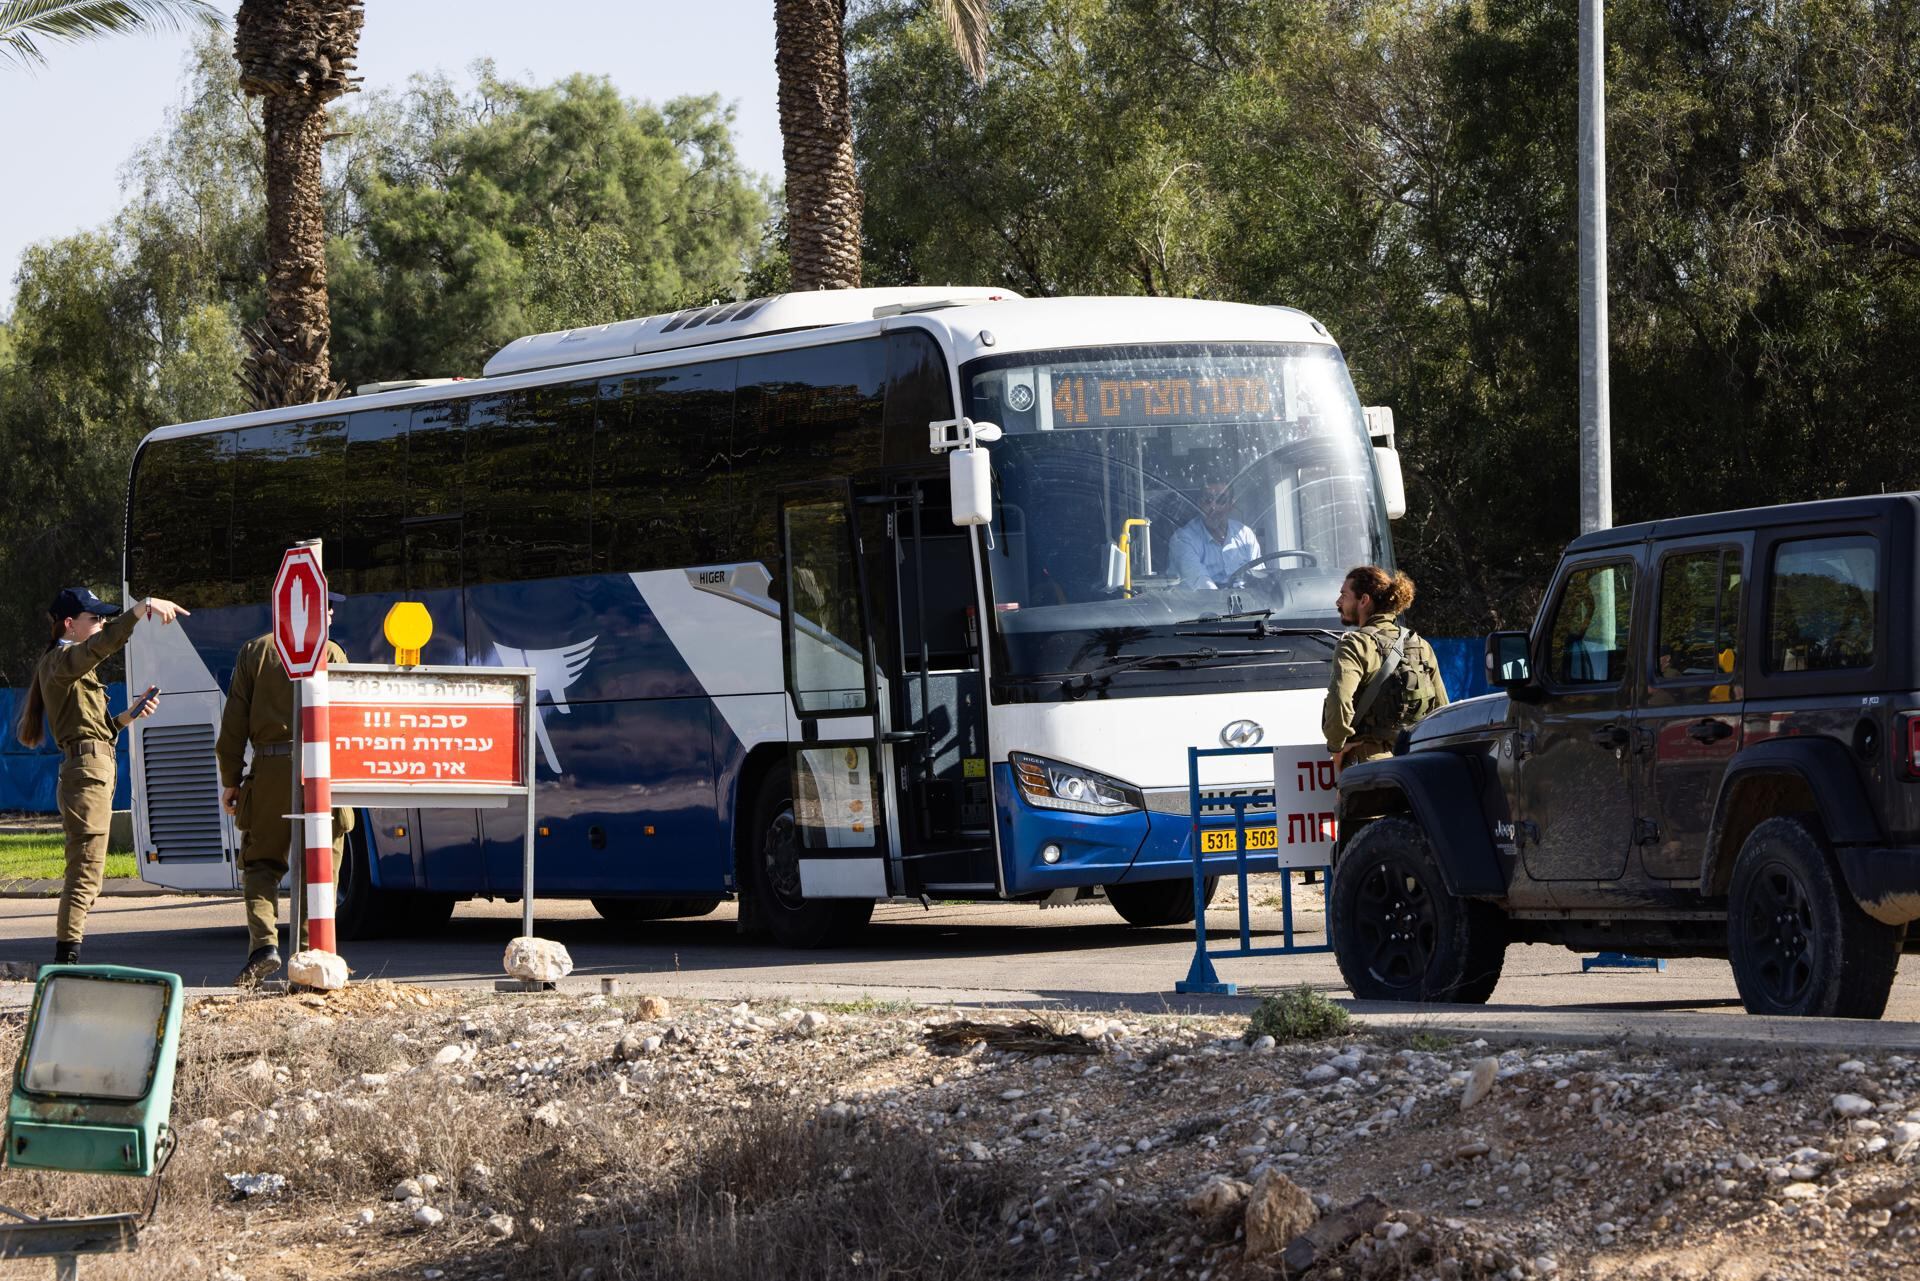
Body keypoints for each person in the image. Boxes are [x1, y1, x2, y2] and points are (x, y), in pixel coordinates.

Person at [13, 587, 189, 965]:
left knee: (89, 872)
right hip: (86, 775)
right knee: (85, 874)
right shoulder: (61, 661)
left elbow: (95, 729)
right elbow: (101, 647)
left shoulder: (68, 664)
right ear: (69, 625)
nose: (101, 624)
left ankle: (67, 959)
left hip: (93, 770)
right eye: (94, 619)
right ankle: (66, 962)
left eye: (103, 618)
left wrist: (129, 715)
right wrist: (140, 610)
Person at [216, 595, 355, 986]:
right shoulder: (331, 652)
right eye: (326, 607)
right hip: (320, 769)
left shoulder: (256, 651)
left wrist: (231, 780)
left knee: (260, 864)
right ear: (311, 610)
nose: (329, 614)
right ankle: (310, 959)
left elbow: (232, 729)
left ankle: (263, 946)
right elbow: (346, 717)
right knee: (321, 866)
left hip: (271, 768)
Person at [1323, 566, 1448, 776]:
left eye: (1344, 595)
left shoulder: (1355, 644)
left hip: (1370, 767)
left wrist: (1336, 747)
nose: (1338, 603)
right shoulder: (1420, 644)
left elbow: (1339, 700)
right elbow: (1441, 709)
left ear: (1364, 600)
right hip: (1418, 765)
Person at [1169, 479, 1262, 589]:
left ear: (1231, 505)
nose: (1213, 506)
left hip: (1246, 604)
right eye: (1208, 500)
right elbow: (1203, 587)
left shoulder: (1245, 535)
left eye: (1220, 500)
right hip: (1202, 604)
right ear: (1199, 504)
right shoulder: (1183, 539)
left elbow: (1260, 578)